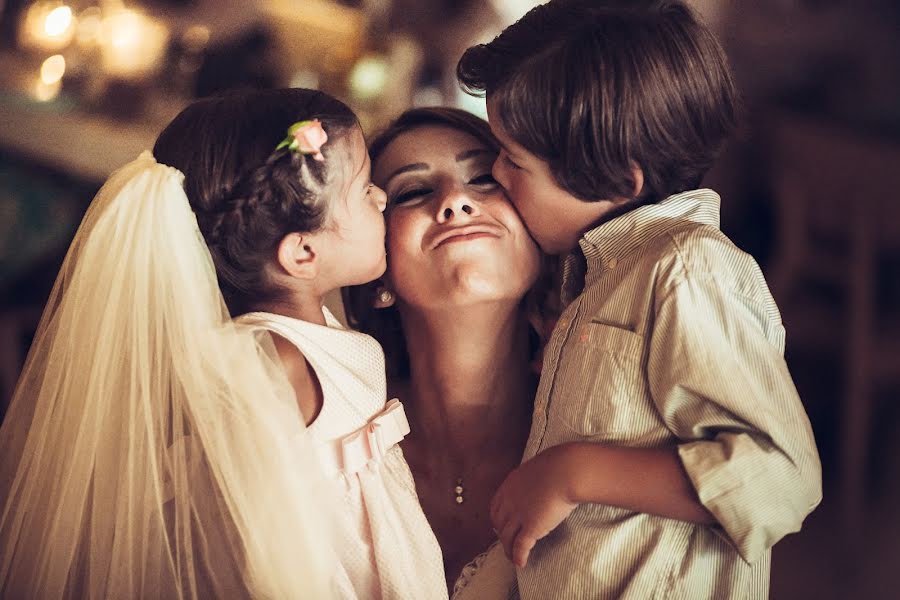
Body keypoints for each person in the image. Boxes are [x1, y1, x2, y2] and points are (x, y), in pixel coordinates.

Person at [0, 89, 446, 599]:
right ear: (303, 252)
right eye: (365, 188)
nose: (382, 197)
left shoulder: (310, 329)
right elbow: (231, 518)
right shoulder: (268, 361)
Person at [456, 1, 823, 598]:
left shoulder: (688, 270)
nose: (496, 174)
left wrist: (575, 473)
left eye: (514, 161)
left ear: (617, 181)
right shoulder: (597, 274)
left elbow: (779, 480)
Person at [344, 107, 553, 595]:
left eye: (483, 179)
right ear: (376, 266)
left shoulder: (601, 433)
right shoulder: (332, 437)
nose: (456, 201)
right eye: (413, 192)